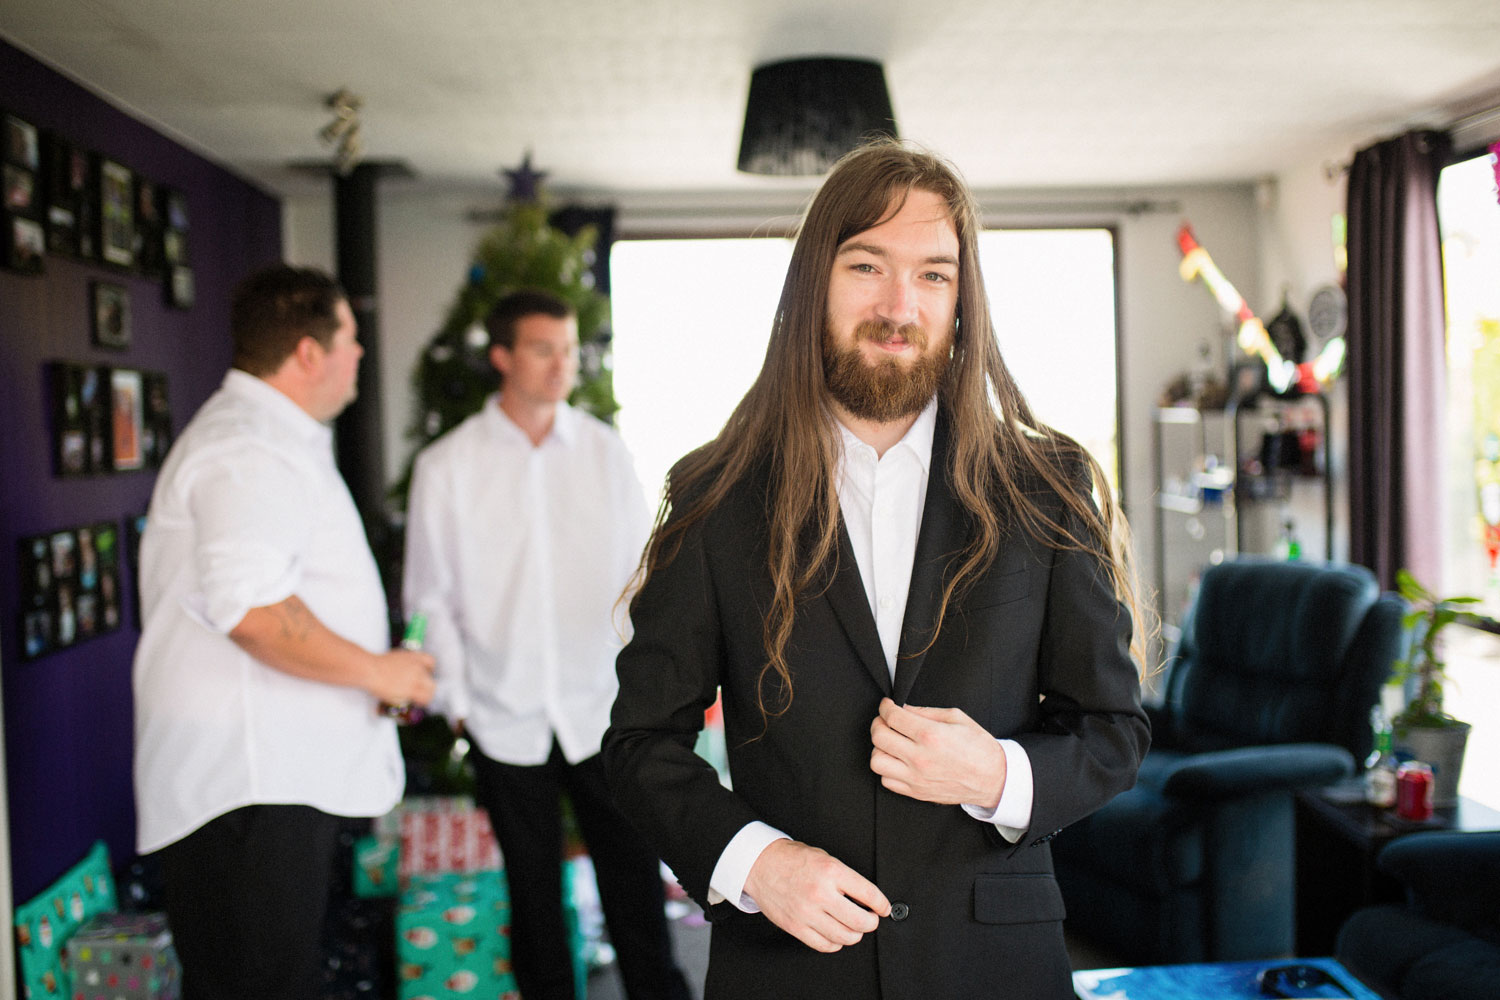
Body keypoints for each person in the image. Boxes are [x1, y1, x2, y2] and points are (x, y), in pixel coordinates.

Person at [604, 140, 1152, 1000]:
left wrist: (1000, 775)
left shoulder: (1048, 489)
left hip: (996, 970)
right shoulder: (713, 495)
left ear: (962, 299)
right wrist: (757, 863)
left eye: (934, 275)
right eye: (869, 265)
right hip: (786, 971)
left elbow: (1114, 732)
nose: (901, 305)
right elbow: (640, 744)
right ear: (814, 280)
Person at [133, 264, 436, 1000]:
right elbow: (252, 610)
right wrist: (377, 671)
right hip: (250, 792)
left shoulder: (273, 438)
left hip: (269, 786)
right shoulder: (249, 448)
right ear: (309, 351)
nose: (361, 354)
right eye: (352, 338)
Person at [403, 289, 691, 1000]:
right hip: (501, 717)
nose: (563, 364)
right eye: (543, 348)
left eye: (570, 348)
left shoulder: (603, 452)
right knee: (531, 894)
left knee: (633, 879)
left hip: (601, 708)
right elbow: (428, 596)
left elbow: (642, 578)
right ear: (502, 356)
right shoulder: (447, 466)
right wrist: (460, 706)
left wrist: (646, 691)